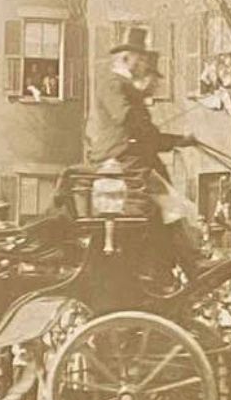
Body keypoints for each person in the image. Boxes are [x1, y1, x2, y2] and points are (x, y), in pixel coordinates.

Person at [87, 28, 212, 282]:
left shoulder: (126, 87)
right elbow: (125, 118)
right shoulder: (112, 84)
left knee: (175, 207)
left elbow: (149, 137)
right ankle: (176, 267)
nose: (142, 64)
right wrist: (141, 95)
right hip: (122, 162)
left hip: (135, 161)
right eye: (139, 58)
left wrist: (181, 141)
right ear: (125, 57)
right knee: (172, 208)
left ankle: (175, 265)